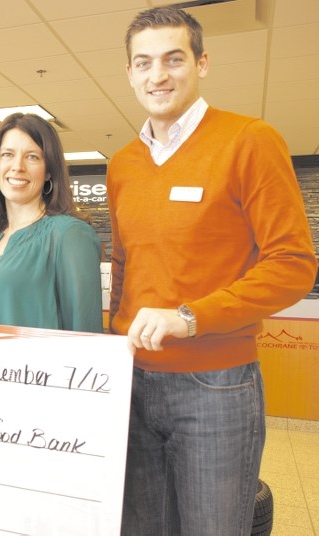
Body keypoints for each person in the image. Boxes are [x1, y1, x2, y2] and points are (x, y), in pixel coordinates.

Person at [109, 6, 317, 535]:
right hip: (132, 381)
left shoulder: (249, 140)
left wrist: (191, 317)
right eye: (144, 62)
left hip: (216, 386)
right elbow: (126, 265)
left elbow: (293, 265)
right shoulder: (122, 164)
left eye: (173, 59)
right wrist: (113, 344)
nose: (158, 75)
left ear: (202, 63)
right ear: (129, 73)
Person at [0, 113, 103, 332]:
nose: (17, 166)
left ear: (49, 171)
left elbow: (84, 329)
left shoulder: (68, 235)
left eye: (32, 157)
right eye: (7, 154)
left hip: (35, 366)